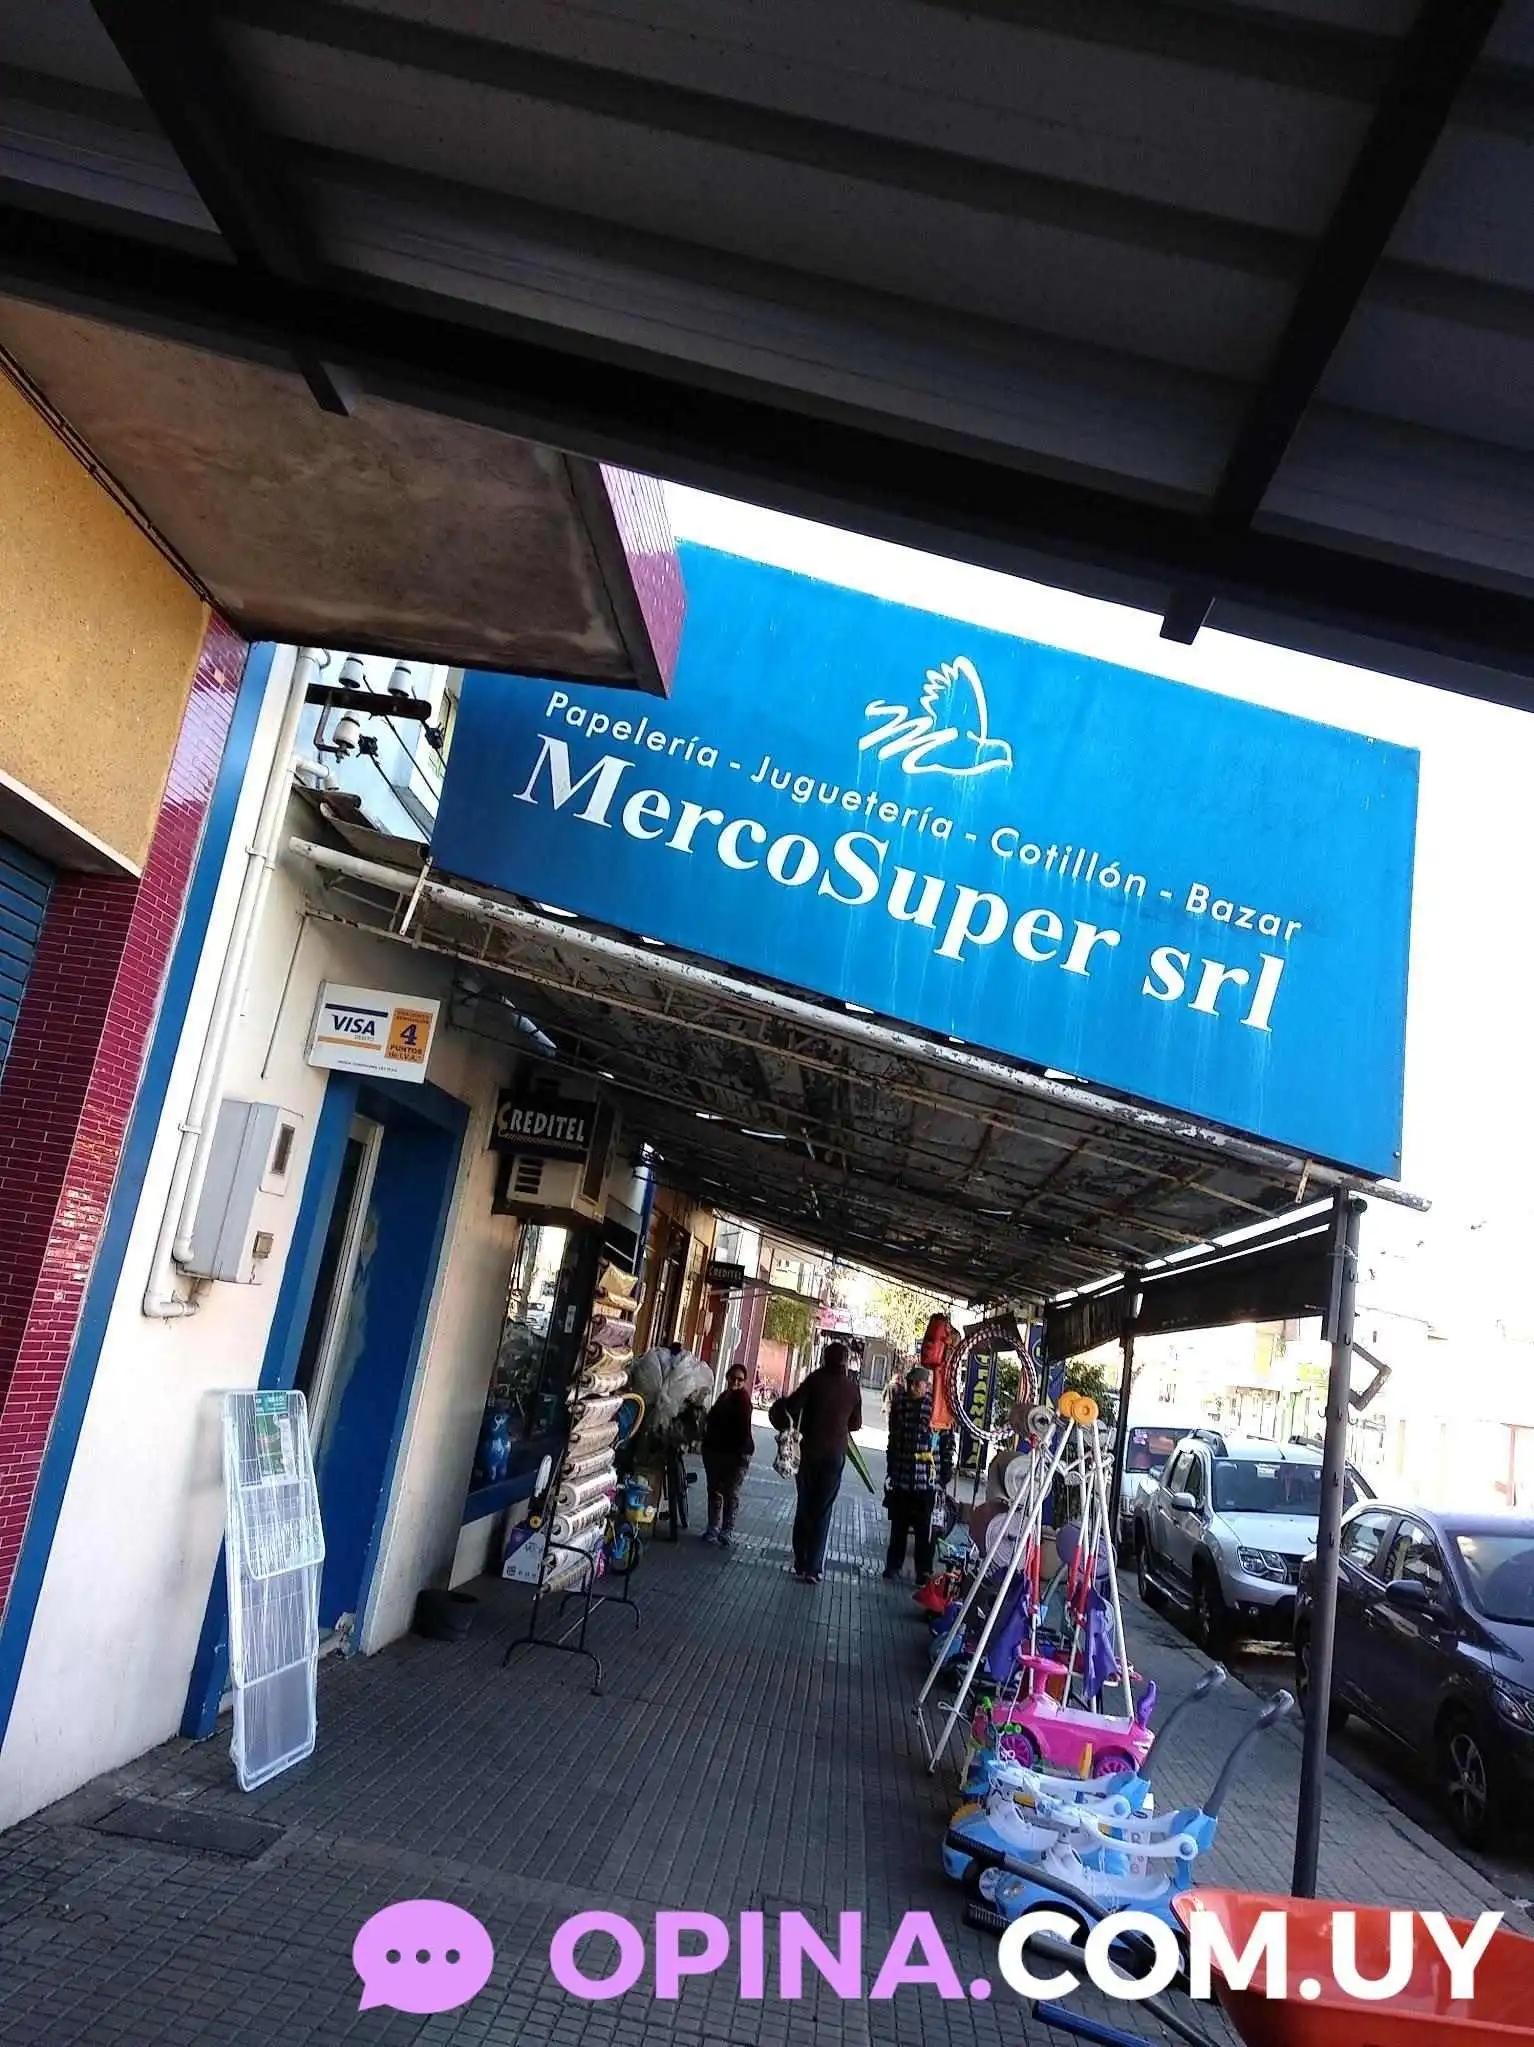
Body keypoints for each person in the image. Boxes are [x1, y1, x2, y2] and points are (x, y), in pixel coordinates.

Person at [771, 1340, 862, 1584]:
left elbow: (792, 1406)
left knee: (804, 1506)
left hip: (808, 1453)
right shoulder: (852, 1388)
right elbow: (856, 1424)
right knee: (823, 1510)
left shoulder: (815, 1380)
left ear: (824, 1358)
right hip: (835, 1455)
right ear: (845, 1362)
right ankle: (814, 1568)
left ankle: (800, 1563)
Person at [883, 1364, 952, 1585]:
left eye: (917, 1384)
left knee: (925, 1529)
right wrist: (891, 1466)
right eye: (910, 1383)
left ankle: (924, 1571)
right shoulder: (900, 1404)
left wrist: (946, 1470)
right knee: (899, 1525)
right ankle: (893, 1566)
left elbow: (946, 1440)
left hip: (927, 1480)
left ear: (926, 1385)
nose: (912, 1387)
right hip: (902, 1476)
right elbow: (893, 1436)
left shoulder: (935, 1407)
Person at [701, 1363, 755, 1546]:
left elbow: (741, 1431)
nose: (736, 1382)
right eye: (733, 1378)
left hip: (737, 1454)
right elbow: (711, 1419)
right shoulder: (724, 1397)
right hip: (717, 1452)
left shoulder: (743, 1401)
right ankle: (713, 1527)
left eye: (740, 1379)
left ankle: (726, 1530)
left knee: (730, 1492)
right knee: (715, 1490)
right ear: (727, 1378)